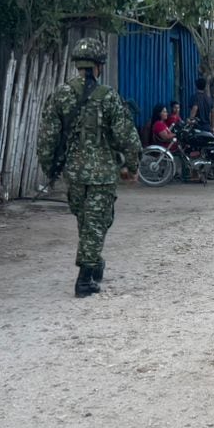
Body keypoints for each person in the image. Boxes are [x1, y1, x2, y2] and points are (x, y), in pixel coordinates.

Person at [37, 35, 142, 298]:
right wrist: (132, 165)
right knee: (97, 223)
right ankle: (85, 279)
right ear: (99, 66)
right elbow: (126, 136)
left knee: (87, 223)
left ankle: (94, 265)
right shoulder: (108, 97)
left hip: (73, 174)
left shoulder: (60, 95)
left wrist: (50, 168)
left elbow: (47, 138)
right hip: (102, 174)